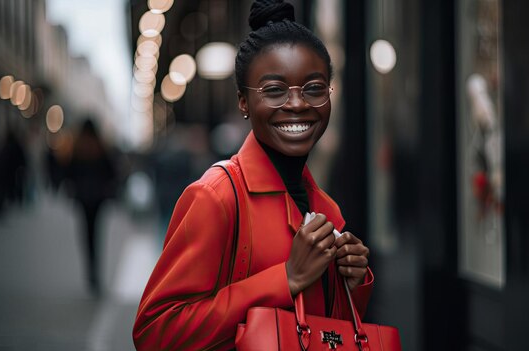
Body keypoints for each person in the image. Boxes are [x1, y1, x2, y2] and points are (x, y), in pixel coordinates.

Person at [133, 1, 373, 349]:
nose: (297, 103)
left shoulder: (326, 209)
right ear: (243, 102)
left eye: (314, 88)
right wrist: (286, 279)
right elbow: (155, 332)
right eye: (274, 90)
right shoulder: (216, 197)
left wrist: (352, 284)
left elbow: (321, 335)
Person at [66, 118, 116, 296]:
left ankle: (89, 272)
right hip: (98, 198)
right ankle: (96, 273)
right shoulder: (100, 148)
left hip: (82, 197)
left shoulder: (78, 148)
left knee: (85, 233)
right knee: (97, 234)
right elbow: (112, 172)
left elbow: (69, 172)